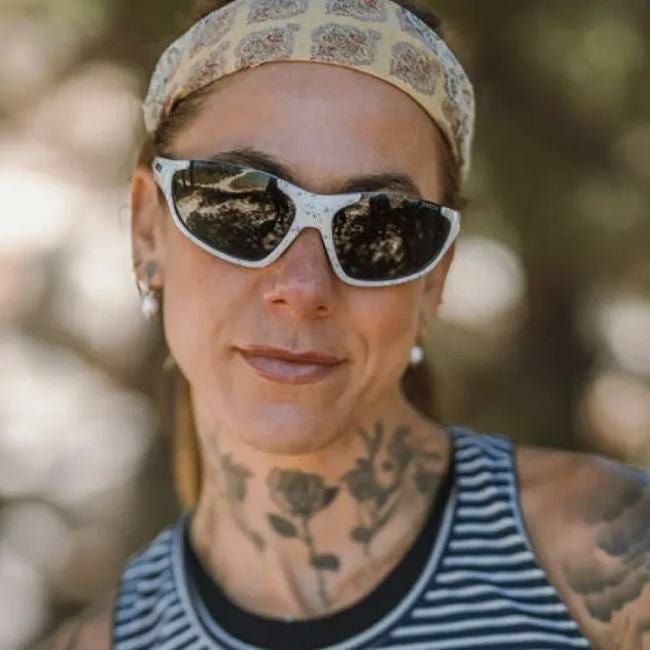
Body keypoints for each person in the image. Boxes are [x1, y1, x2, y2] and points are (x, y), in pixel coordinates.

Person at [47, 0, 650, 648]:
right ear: (147, 228)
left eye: (379, 227)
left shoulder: (613, 562)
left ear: (435, 276)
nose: (303, 288)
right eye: (241, 205)